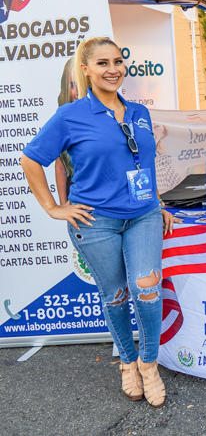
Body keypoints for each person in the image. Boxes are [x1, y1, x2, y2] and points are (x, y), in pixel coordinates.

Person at [21, 37, 175, 408]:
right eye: (103, 63)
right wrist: (54, 208)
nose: (113, 69)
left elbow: (143, 164)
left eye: (118, 61)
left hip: (143, 215)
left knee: (146, 289)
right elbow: (31, 160)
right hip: (95, 222)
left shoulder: (139, 111)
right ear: (86, 70)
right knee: (117, 295)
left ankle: (149, 363)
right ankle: (127, 363)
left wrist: (157, 201)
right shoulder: (70, 115)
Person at [55, 57, 77, 204]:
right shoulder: (64, 118)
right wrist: (62, 206)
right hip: (79, 203)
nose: (78, 91)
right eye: (72, 85)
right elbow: (60, 164)